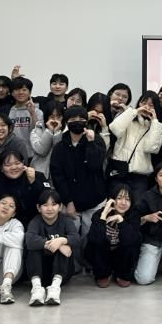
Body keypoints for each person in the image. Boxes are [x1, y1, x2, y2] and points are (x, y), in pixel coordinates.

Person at [50, 106, 106, 250]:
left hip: (94, 200)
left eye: (81, 119)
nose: (77, 121)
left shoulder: (97, 141)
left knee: (91, 239)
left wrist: (91, 142)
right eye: (73, 119)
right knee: (70, 239)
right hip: (70, 202)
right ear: (66, 122)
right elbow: (58, 177)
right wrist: (68, 201)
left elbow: (95, 165)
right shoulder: (59, 147)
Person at [25, 190, 80, 306]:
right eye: (45, 205)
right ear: (39, 208)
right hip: (40, 273)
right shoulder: (35, 221)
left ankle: (55, 288)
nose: (50, 209)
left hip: (63, 273)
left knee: (64, 246)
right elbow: (29, 240)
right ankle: (37, 288)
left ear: (60, 207)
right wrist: (53, 244)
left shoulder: (66, 221)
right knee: (34, 249)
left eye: (54, 204)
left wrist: (61, 240)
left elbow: (76, 239)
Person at [107, 91, 162, 202]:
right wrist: (135, 111)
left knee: (136, 207)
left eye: (151, 105)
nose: (147, 107)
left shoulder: (156, 127)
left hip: (139, 177)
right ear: (138, 103)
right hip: (119, 170)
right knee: (114, 205)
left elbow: (151, 148)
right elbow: (115, 129)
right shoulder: (128, 116)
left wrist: (154, 121)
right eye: (144, 103)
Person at [86, 184, 142, 288]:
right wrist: (104, 215)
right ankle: (103, 275)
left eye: (127, 199)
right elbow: (95, 239)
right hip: (103, 256)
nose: (123, 203)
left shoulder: (134, 215)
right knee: (96, 243)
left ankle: (122, 275)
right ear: (112, 200)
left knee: (132, 244)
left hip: (121, 256)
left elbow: (131, 241)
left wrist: (121, 221)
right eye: (119, 198)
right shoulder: (99, 214)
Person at [0, 150, 50, 228]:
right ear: (1, 168)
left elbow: (48, 200)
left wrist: (33, 183)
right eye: (8, 165)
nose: (14, 167)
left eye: (17, 163)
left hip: (40, 223)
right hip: (10, 227)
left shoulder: (38, 176)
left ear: (23, 163)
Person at [8, 76, 43, 160]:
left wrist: (32, 113)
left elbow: (39, 132)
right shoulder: (8, 111)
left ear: (30, 92)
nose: (20, 92)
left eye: (24, 90)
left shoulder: (37, 111)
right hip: (13, 155)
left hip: (33, 155)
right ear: (12, 93)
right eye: (17, 90)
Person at [30, 101, 65, 180]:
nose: (55, 120)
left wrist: (57, 133)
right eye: (52, 116)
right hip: (39, 174)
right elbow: (42, 151)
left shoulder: (67, 131)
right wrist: (49, 131)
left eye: (58, 117)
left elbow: (59, 153)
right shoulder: (37, 129)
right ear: (46, 117)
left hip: (59, 175)